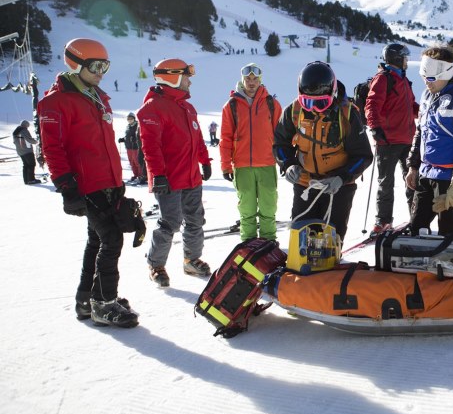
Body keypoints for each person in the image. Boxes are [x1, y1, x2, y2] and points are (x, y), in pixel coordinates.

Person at [38, 38, 138, 328]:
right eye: (95, 66)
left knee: (97, 240)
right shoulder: (55, 102)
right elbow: (52, 149)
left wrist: (118, 183)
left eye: (105, 65)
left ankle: (87, 299)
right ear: (76, 63)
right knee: (111, 240)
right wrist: (68, 188)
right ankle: (103, 303)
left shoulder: (97, 96)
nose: (101, 72)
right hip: (87, 185)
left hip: (109, 182)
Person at [273, 61, 373, 240]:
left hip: (338, 188)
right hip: (305, 183)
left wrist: (341, 178)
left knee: (330, 241)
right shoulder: (294, 111)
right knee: (301, 239)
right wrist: (288, 165)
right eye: (307, 102)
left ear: (333, 93)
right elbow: (280, 143)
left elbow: (363, 155)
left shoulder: (347, 114)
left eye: (321, 104)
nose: (314, 109)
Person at [138, 58, 213, 288]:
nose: (190, 82)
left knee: (195, 219)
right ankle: (156, 263)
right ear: (173, 77)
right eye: (186, 77)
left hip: (191, 176)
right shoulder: (152, 109)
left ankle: (191, 259)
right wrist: (158, 174)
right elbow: (150, 146)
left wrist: (204, 160)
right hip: (168, 180)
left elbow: (197, 137)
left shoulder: (188, 107)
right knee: (169, 222)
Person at [405, 45, 453, 236]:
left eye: (431, 78)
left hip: (450, 177)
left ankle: (446, 262)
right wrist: (413, 166)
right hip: (427, 172)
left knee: (448, 229)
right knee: (416, 227)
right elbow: (421, 132)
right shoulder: (428, 95)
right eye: (424, 77)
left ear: (446, 73)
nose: (427, 83)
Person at [220, 63, 282, 241]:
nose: (251, 82)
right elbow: (225, 137)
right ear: (243, 79)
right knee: (246, 210)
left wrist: (284, 159)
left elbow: (281, 134)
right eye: (248, 78)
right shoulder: (231, 105)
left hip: (267, 164)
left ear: (260, 80)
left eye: (255, 79)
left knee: (268, 208)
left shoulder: (271, 103)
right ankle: (248, 244)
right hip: (242, 166)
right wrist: (226, 166)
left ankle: (268, 242)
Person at [364, 43, 418, 232]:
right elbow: (371, 104)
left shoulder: (403, 80)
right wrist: (375, 127)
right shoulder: (383, 79)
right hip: (387, 140)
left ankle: (416, 218)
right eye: (405, 58)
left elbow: (411, 106)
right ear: (396, 58)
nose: (407, 61)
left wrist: (425, 111)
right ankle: (383, 221)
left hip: (408, 139)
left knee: (412, 180)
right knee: (385, 182)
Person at [118, 112, 144, 183]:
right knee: (131, 162)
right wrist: (123, 139)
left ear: (134, 119)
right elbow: (127, 136)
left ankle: (141, 176)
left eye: (131, 118)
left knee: (137, 161)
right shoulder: (128, 126)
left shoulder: (137, 126)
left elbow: (140, 136)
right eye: (128, 119)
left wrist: (134, 139)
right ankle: (135, 175)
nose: (129, 120)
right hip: (129, 147)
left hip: (135, 147)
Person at [12, 120, 40, 185]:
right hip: (27, 151)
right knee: (31, 164)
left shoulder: (16, 131)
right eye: (27, 126)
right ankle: (31, 180)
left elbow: (15, 142)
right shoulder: (24, 130)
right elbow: (29, 139)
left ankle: (26, 180)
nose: (27, 127)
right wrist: (36, 142)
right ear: (26, 125)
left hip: (20, 151)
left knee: (26, 165)